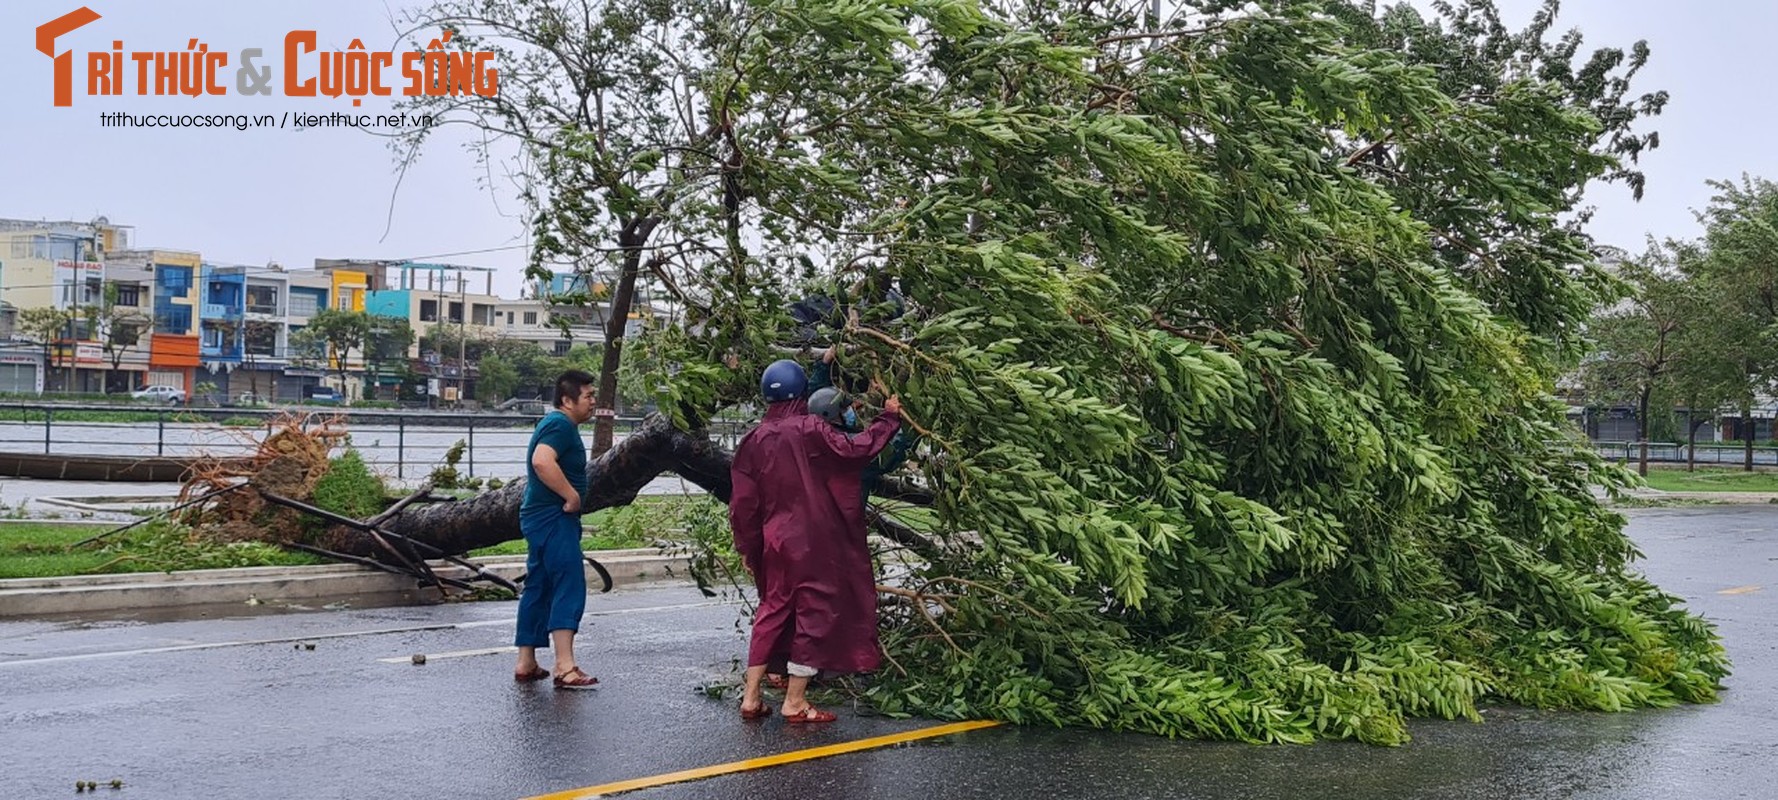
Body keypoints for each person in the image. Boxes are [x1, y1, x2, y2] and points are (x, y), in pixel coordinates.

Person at [730, 359, 903, 722]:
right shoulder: (811, 429)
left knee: (772, 611)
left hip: (775, 540)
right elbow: (857, 450)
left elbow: (742, 505)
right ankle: (795, 701)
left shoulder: (753, 441)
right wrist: (889, 419)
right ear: (801, 391)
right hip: (815, 541)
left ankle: (750, 698)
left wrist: (748, 547)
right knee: (815, 614)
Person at [512, 369, 601, 690]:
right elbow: (541, 461)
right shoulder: (561, 425)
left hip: (538, 516)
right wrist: (571, 495)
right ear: (567, 400)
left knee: (539, 584)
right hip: (553, 516)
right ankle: (565, 666)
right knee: (568, 582)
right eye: (588, 396)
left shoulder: (555, 424)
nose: (594, 401)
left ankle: (526, 661)